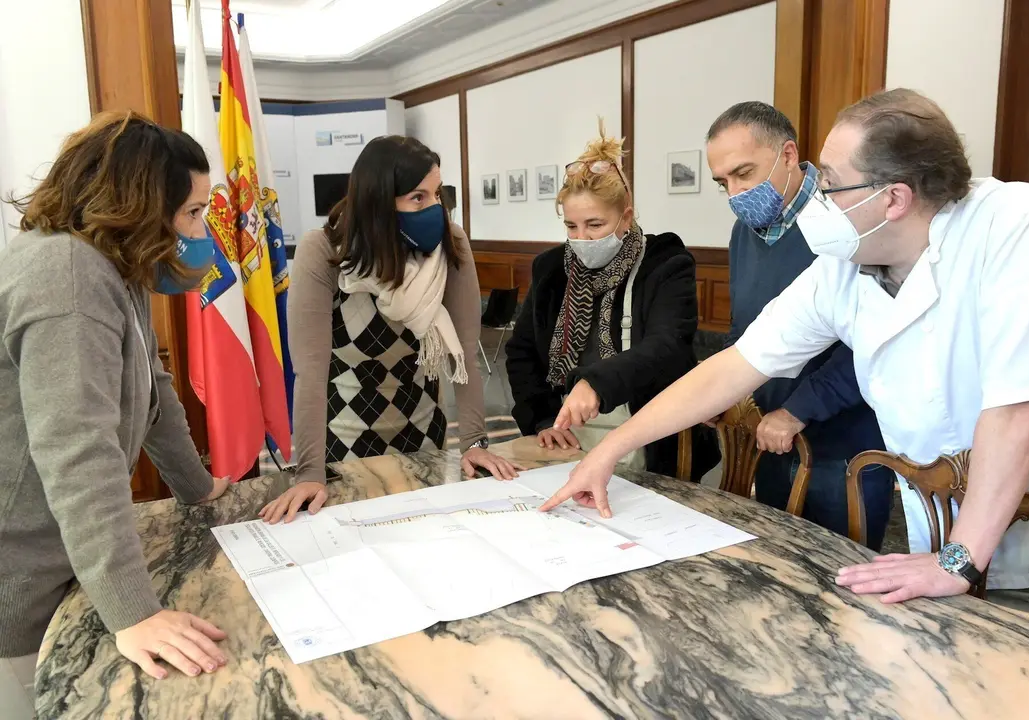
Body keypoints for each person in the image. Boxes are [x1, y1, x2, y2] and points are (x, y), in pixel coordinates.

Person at [540, 89, 1029, 619]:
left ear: (894, 198)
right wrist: (612, 448)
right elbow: (734, 366)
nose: (818, 198)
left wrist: (960, 557)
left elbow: (1024, 408)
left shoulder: (1021, 225)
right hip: (936, 544)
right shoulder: (845, 266)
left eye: (829, 183)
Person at [0, 112, 233, 711]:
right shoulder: (68, 278)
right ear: (138, 207)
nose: (202, 230)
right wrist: (134, 614)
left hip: (59, 558)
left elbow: (153, 396)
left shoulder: (111, 269)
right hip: (19, 582)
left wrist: (198, 488)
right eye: (193, 213)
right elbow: (78, 453)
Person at [260, 136, 520, 524]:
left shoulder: (450, 245)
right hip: (344, 436)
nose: (434, 208)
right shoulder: (325, 252)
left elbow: (463, 354)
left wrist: (474, 443)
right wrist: (310, 472)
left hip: (423, 431)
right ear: (379, 200)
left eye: (437, 195)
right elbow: (310, 373)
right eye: (418, 197)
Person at [708, 101, 892, 550]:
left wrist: (798, 410)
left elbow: (871, 340)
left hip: (844, 443)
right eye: (723, 183)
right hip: (772, 438)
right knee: (779, 558)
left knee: (842, 568)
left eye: (744, 173)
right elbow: (747, 329)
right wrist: (725, 390)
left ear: (788, 155)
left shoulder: (846, 217)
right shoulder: (744, 232)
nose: (735, 193)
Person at [506, 122, 718, 478]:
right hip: (568, 436)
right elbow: (522, 352)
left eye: (595, 224)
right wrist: (542, 418)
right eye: (572, 227)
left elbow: (667, 347)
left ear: (626, 217)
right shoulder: (551, 270)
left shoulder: (665, 264)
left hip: (652, 438)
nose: (583, 238)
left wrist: (595, 383)